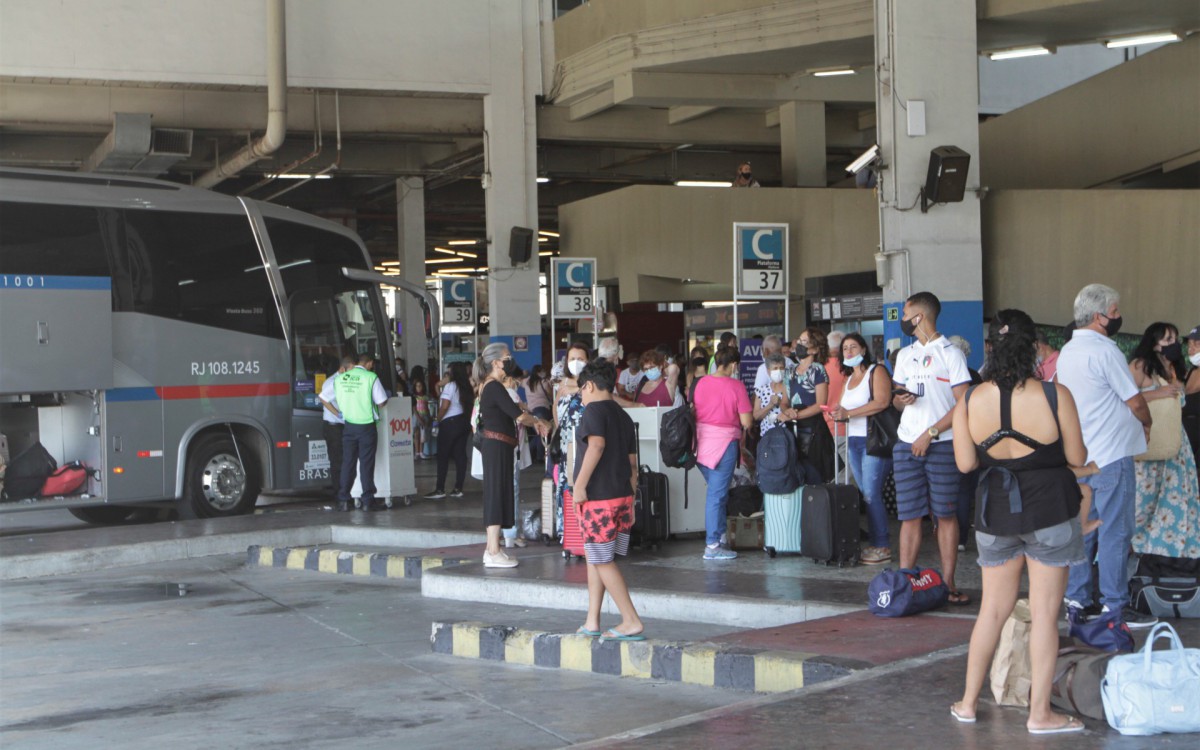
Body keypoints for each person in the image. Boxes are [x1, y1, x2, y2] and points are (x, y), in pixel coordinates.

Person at [949, 309, 1091, 735]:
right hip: (1049, 510)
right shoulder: (1054, 395)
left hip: (995, 514)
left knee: (991, 612)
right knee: (1046, 617)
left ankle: (968, 703)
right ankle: (1040, 714)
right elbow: (1077, 458)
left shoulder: (971, 399)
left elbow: (965, 463)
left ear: (991, 347)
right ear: (1033, 346)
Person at [1057, 283, 1155, 628]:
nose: (1117, 318)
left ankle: (1078, 600)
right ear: (1100, 317)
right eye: (1114, 313)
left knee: (1086, 530)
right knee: (1116, 532)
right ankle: (1114, 605)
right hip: (1111, 455)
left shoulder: (1068, 351)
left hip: (1081, 456)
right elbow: (1135, 400)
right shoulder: (1105, 351)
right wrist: (1147, 424)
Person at [892, 292, 972, 605]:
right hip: (906, 443)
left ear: (920, 317)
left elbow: (964, 403)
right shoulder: (904, 354)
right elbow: (898, 399)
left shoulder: (951, 353)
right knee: (909, 515)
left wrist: (932, 432)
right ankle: (904, 582)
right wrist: (900, 400)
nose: (903, 319)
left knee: (945, 514)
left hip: (942, 445)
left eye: (905, 314)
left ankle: (948, 583)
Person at [570, 360, 645, 641]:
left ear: (588, 385)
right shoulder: (622, 415)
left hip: (599, 498)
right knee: (597, 556)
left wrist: (579, 485)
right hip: (622, 496)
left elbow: (596, 445)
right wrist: (633, 500)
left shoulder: (593, 411)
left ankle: (631, 620)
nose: (581, 396)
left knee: (602, 560)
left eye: (581, 390)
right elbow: (634, 465)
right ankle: (592, 620)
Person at [1128, 322, 1199, 559]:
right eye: (1167, 339)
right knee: (1141, 503)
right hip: (1149, 444)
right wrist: (1156, 393)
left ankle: (1161, 553)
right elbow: (1123, 398)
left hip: (1175, 446)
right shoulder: (1139, 366)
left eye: (1175, 339)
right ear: (1154, 343)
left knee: (1175, 501)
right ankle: (1127, 550)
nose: (1174, 344)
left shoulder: (1173, 369)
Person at [477, 343, 551, 568]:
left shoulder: (491, 386)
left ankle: (494, 549)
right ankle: (492, 550)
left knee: (498, 492)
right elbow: (518, 416)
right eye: (507, 357)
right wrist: (538, 422)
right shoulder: (493, 387)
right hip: (496, 446)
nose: (511, 360)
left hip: (499, 446)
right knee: (496, 494)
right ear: (496, 362)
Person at [831, 334, 894, 565]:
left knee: (870, 493)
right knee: (865, 495)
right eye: (845, 348)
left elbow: (882, 401)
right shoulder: (848, 379)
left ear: (864, 349)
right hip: (854, 441)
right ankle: (876, 542)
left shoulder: (876, 372)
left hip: (873, 440)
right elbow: (843, 407)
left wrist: (848, 414)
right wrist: (837, 412)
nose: (848, 352)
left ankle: (882, 544)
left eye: (853, 347)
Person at [692, 347, 753, 560]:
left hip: (700, 444)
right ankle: (712, 545)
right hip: (724, 444)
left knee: (717, 493)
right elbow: (746, 421)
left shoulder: (701, 383)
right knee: (716, 495)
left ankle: (720, 537)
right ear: (734, 365)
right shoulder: (736, 386)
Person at [334, 354, 390, 512]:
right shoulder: (370, 377)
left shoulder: (340, 379)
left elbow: (338, 400)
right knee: (366, 464)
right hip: (366, 426)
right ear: (370, 363)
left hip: (349, 425)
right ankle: (367, 501)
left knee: (348, 463)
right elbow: (382, 401)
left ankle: (343, 500)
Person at [949, 335, 984, 553]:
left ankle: (945, 533)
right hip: (970, 436)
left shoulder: (942, 374)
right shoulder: (975, 377)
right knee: (966, 489)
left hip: (943, 437)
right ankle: (962, 537)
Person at [552, 342, 590, 540]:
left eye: (581, 358)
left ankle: (587, 533)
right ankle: (569, 534)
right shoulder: (562, 384)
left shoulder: (592, 383)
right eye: (572, 358)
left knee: (584, 483)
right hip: (567, 445)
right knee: (568, 484)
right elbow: (556, 408)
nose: (576, 362)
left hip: (586, 443)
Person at [787, 328, 833, 482]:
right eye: (799, 340)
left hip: (812, 428)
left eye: (804, 342)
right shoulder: (791, 371)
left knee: (814, 474)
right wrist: (786, 412)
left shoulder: (818, 370)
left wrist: (797, 415)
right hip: (793, 426)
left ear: (814, 349)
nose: (799, 344)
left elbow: (821, 403)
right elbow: (784, 400)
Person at [426, 362, 473, 500]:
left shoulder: (450, 386)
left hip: (450, 423)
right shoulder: (466, 387)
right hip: (463, 422)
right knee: (460, 455)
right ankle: (458, 488)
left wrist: (437, 419)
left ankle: (440, 488)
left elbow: (445, 406)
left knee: (443, 456)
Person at [318, 356, 356, 506]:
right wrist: (337, 413)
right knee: (338, 462)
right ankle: (340, 495)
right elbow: (323, 398)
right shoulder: (334, 382)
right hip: (334, 427)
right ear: (342, 369)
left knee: (344, 460)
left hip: (340, 426)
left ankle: (343, 493)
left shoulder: (343, 380)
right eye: (350, 371)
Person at [524, 365, 553, 465]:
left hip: (531, 411)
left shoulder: (527, 382)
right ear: (538, 372)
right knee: (542, 433)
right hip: (542, 409)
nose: (544, 373)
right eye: (542, 371)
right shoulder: (543, 383)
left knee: (538, 434)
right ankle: (539, 456)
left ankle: (529, 453)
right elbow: (550, 395)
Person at [823, 330, 847, 440]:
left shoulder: (819, 368)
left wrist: (827, 409)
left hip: (825, 427)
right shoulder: (850, 369)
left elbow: (818, 403)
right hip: (848, 427)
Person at [1185, 325, 1200, 477]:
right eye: (1190, 344)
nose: (1192, 348)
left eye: (1197, 344)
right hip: (1187, 437)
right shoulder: (1191, 371)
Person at [412, 375, 430, 461]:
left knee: (423, 435)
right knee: (416, 435)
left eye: (420, 386)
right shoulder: (414, 398)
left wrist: (429, 417)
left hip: (424, 416)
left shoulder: (426, 397)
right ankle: (417, 453)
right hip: (417, 417)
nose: (419, 388)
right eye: (417, 386)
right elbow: (414, 409)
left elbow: (427, 408)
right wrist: (419, 418)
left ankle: (421, 452)